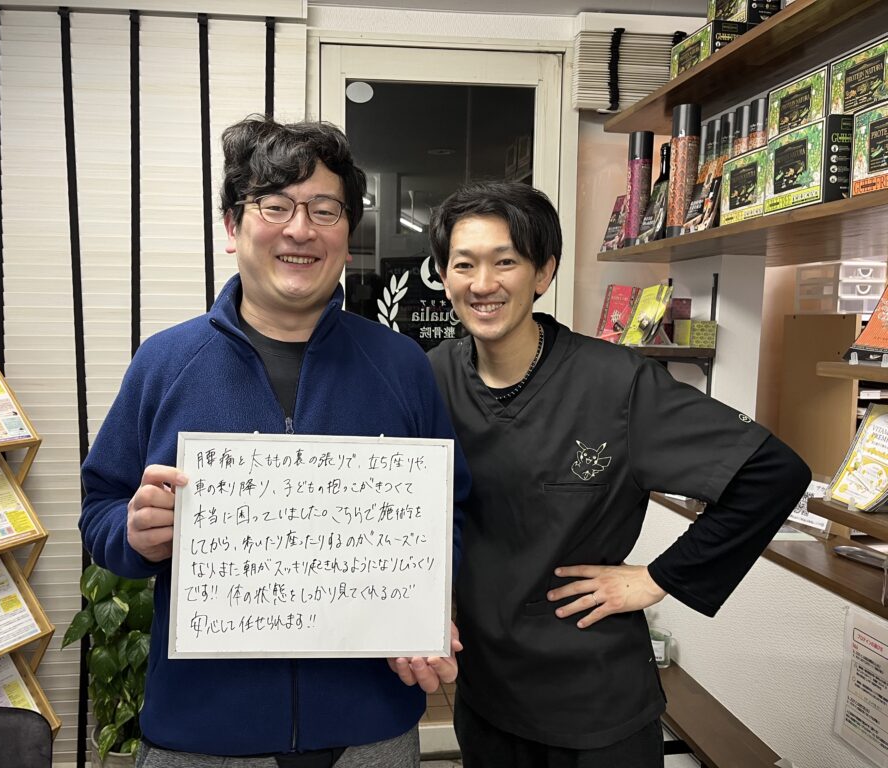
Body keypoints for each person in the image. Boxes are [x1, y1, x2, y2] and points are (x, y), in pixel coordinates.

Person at [80, 115, 469, 768]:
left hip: (370, 728)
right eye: (275, 205)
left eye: (324, 209)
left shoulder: (401, 365)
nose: (300, 229)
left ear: (348, 232)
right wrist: (133, 532)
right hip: (204, 731)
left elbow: (446, 510)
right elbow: (101, 507)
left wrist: (423, 603)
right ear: (233, 226)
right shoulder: (165, 363)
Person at [426, 180, 811, 767]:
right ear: (444, 276)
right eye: (464, 264)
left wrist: (659, 577)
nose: (483, 284)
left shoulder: (617, 383)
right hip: (486, 698)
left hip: (597, 706)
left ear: (543, 272)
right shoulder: (433, 378)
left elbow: (773, 473)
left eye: (506, 262)